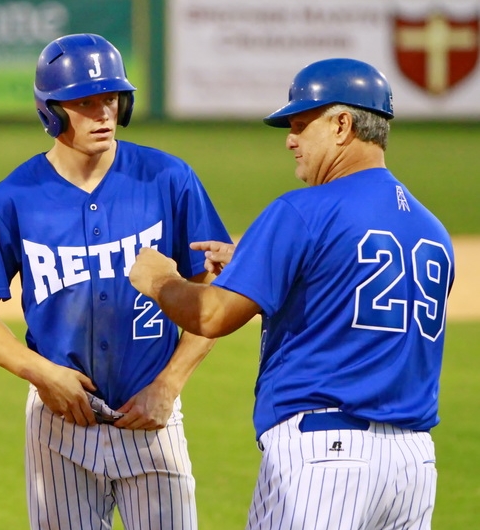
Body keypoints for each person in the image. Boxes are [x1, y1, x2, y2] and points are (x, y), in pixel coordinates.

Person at [129, 58, 454, 530]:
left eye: (302, 124)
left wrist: (160, 281)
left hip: (325, 457)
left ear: (343, 124)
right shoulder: (433, 230)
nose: (290, 139)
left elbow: (213, 316)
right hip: (413, 466)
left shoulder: (302, 210)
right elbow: (347, 292)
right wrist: (259, 263)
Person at [0, 33, 231, 530]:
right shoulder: (12, 199)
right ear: (52, 111)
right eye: (85, 103)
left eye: (110, 99)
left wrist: (169, 386)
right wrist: (40, 372)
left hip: (153, 419)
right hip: (57, 424)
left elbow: (211, 299)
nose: (103, 113)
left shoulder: (169, 179)